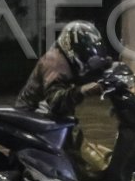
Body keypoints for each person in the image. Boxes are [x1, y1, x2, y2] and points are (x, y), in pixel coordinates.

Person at [15, 20, 113, 172]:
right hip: (37, 115)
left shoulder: (70, 59)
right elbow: (56, 100)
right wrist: (83, 90)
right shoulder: (55, 62)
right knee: (72, 163)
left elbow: (93, 68)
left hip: (56, 116)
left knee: (79, 150)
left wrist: (110, 68)